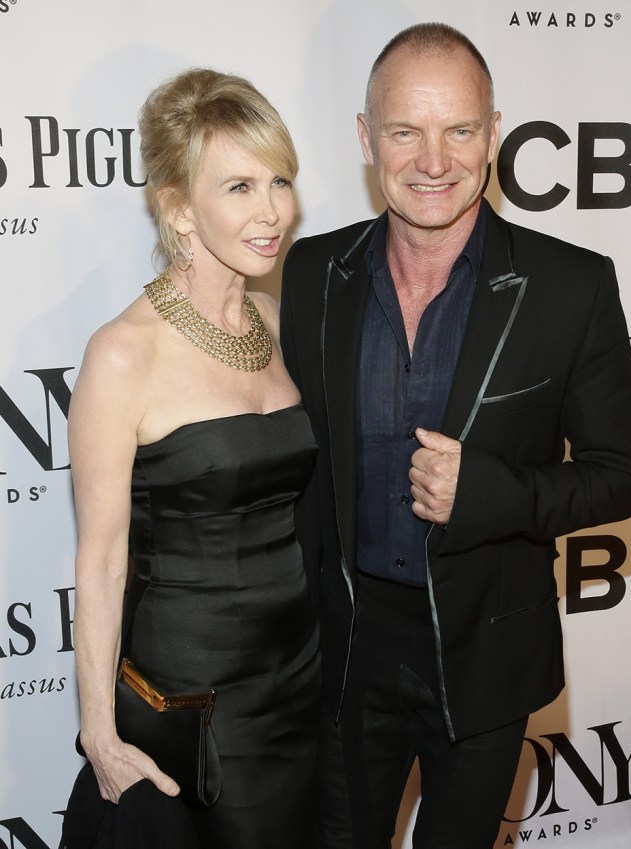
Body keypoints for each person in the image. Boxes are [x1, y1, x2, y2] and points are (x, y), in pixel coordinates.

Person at [280, 22, 631, 849]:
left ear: (493, 134)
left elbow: (622, 475)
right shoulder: (312, 274)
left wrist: (488, 491)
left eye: (459, 129)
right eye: (406, 130)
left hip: (485, 655)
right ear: (367, 138)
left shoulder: (571, 285)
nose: (433, 160)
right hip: (345, 656)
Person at [67, 68, 320, 848]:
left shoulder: (275, 321)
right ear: (178, 206)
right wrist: (99, 733)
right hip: (198, 699)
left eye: (280, 179)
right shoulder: (120, 355)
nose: (272, 209)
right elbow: (102, 559)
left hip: (303, 681)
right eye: (239, 186)